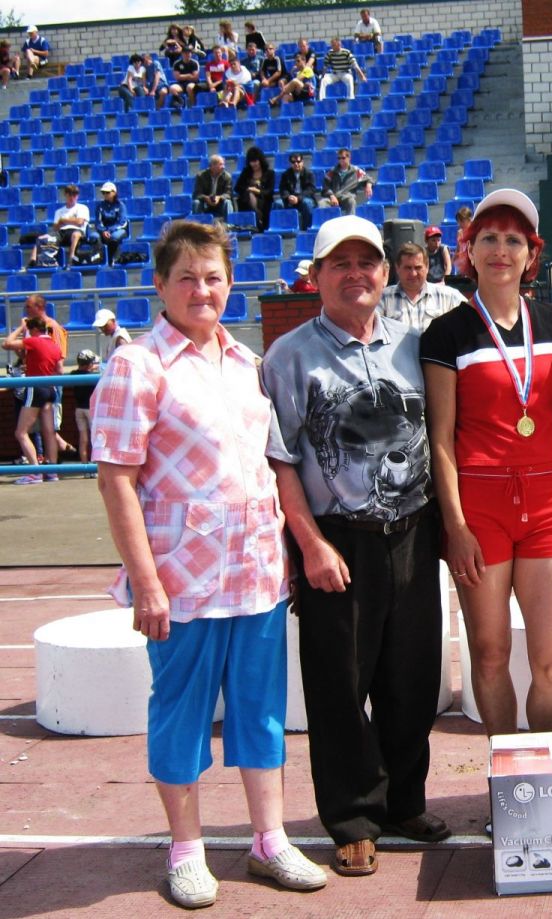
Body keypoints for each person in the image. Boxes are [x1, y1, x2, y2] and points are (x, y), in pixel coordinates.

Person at [90, 220, 327, 908]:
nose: (202, 290)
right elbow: (116, 480)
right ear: (160, 285)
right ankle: (187, 850)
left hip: (255, 574)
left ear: (230, 283)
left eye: (214, 277)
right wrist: (146, 582)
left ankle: (268, 840)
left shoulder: (244, 361)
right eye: (187, 277)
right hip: (183, 580)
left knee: (261, 711)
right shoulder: (138, 365)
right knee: (181, 714)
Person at [261, 216, 450, 878]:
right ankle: (352, 817)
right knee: (340, 686)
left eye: (366, 262)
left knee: (413, 678)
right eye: (339, 264)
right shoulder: (289, 357)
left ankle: (404, 802)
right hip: (337, 541)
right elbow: (280, 460)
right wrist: (309, 543)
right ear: (316, 276)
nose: (355, 274)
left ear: (385, 271)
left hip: (414, 533)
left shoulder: (415, 346)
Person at [420, 189, 552, 742]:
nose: (500, 251)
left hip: (549, 504)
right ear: (468, 250)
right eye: (488, 238)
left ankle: (546, 776)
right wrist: (456, 525)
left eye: (514, 240)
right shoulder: (447, 332)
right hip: (481, 508)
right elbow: (441, 439)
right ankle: (508, 777)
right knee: (489, 654)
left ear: (531, 254)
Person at [3, 314, 61, 485]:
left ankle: (35, 472)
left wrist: (21, 328)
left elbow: (6, 344)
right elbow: (59, 370)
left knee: (20, 433)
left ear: (34, 329)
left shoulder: (34, 341)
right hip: (51, 388)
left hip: (35, 387)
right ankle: (52, 473)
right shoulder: (54, 344)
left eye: (29, 330)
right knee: (49, 433)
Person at [379, 241, 465, 330]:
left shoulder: (447, 297)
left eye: (418, 268)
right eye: (408, 268)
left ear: (427, 267)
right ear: (397, 268)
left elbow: (471, 317)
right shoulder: (382, 298)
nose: (413, 273)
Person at [31, 184, 89, 266]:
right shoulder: (59, 211)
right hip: (61, 232)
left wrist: (63, 220)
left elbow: (79, 222)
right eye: (69, 195)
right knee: (41, 238)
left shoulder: (82, 208)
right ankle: (33, 261)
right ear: (66, 195)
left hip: (77, 231)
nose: (72, 197)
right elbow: (56, 227)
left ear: (77, 196)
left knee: (75, 235)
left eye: (74, 195)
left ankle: (71, 258)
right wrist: (70, 220)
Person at [70, 349, 99, 470]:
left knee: (83, 438)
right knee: (94, 438)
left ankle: (84, 465)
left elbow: (79, 371)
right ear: (89, 364)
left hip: (79, 409)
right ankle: (94, 466)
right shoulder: (93, 377)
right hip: (91, 410)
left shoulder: (73, 374)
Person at [321, 149, 372, 216]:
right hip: (333, 197)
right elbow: (325, 186)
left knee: (351, 201)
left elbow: (368, 178)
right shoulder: (333, 171)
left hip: (347, 197)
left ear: (349, 158)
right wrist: (331, 196)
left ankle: (350, 221)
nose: (341, 160)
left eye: (343, 158)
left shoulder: (356, 171)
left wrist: (368, 185)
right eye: (339, 158)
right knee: (322, 203)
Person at [235, 146, 274, 232]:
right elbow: (237, 188)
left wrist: (258, 191)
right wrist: (249, 189)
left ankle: (258, 220)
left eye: (255, 161)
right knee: (248, 195)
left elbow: (270, 191)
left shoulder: (269, 173)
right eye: (251, 162)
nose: (253, 164)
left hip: (264, 200)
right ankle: (257, 219)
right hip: (247, 201)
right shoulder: (246, 172)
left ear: (260, 160)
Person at [279, 152, 318, 230]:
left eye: (298, 161)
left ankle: (307, 229)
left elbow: (311, 189)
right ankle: (282, 228)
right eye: (293, 162)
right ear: (290, 163)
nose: (296, 164)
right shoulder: (285, 174)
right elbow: (283, 189)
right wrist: (288, 197)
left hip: (304, 198)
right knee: (277, 204)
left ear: (302, 162)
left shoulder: (309, 174)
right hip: (290, 199)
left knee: (307, 203)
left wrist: (298, 198)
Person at [318, 37, 366, 102]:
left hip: (345, 73)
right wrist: (323, 75)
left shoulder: (346, 52)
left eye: (333, 45)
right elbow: (325, 66)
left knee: (349, 79)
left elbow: (355, 65)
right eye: (332, 45)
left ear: (339, 44)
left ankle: (351, 98)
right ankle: (321, 99)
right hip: (334, 74)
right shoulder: (329, 53)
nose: (332, 47)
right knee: (324, 80)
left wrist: (362, 76)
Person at [94, 181, 129, 265]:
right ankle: (99, 258)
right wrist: (103, 231)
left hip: (118, 230)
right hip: (104, 231)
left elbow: (122, 223)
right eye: (103, 192)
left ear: (114, 192)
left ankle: (112, 259)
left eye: (107, 192)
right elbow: (98, 222)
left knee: (114, 237)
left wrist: (109, 231)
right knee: (94, 236)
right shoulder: (100, 206)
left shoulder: (121, 205)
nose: (105, 194)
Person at [192, 154, 233, 221]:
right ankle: (197, 224)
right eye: (221, 164)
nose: (223, 167)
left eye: (223, 164)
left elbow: (228, 194)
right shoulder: (201, 176)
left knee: (227, 202)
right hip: (205, 204)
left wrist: (219, 198)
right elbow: (197, 194)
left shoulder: (227, 177)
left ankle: (229, 224)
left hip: (220, 204)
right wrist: (206, 198)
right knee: (196, 203)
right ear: (212, 166)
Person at [453, 205, 472, 273]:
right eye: (458, 221)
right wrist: (453, 260)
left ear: (469, 219)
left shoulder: (475, 232)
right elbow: (458, 249)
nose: (459, 224)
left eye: (462, 221)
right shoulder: (459, 232)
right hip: (462, 264)